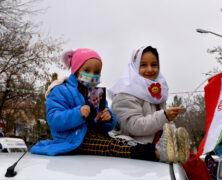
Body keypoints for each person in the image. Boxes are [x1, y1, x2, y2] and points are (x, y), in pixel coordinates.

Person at [30, 48, 180, 163]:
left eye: (96, 71)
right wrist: (78, 113)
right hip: (73, 140)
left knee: (119, 142)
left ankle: (162, 150)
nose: (92, 74)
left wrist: (108, 119)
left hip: (96, 136)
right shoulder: (60, 90)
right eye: (87, 70)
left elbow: (109, 122)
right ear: (76, 70)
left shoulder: (96, 92)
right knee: (112, 147)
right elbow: (54, 119)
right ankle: (157, 153)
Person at [108, 46, 189, 164]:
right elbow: (134, 126)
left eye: (154, 65)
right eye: (143, 65)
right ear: (134, 66)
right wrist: (164, 116)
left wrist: (173, 131)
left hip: (157, 157)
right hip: (135, 156)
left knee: (196, 165)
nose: (150, 69)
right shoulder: (124, 94)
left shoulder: (155, 93)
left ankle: (176, 149)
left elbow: (163, 122)